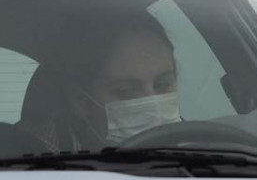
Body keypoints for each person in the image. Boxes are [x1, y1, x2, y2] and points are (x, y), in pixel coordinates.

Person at [18, 8, 180, 151]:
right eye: (126, 91)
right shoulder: (33, 161)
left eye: (162, 85)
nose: (155, 111)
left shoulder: (196, 148)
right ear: (80, 101)